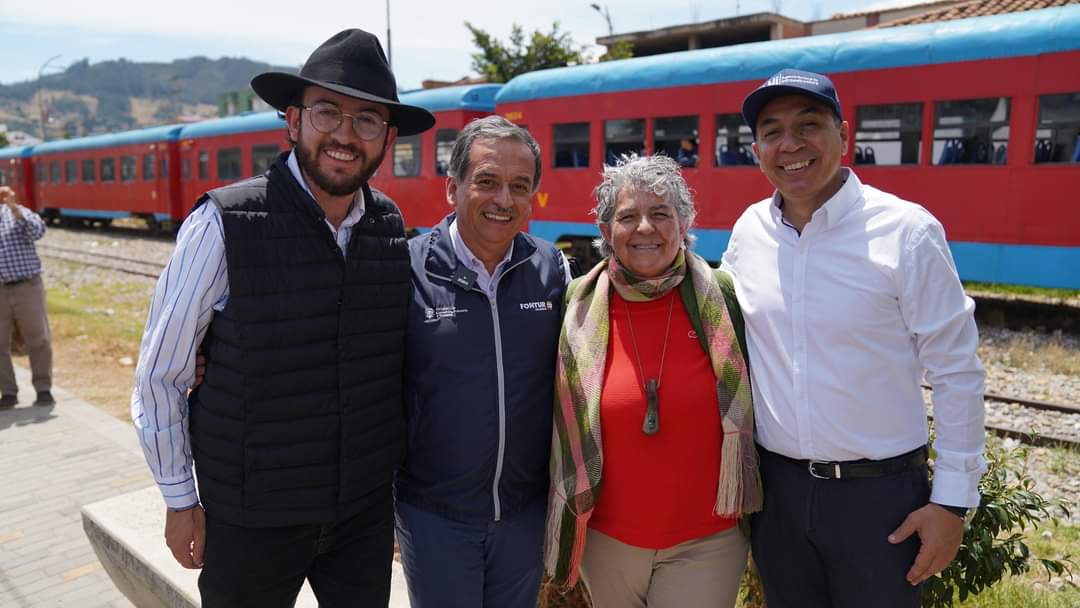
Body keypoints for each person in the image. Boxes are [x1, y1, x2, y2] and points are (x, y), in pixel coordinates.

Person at [130, 29, 434, 607]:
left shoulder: (389, 227)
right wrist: (178, 498)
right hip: (252, 516)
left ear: (387, 138)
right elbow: (161, 373)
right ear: (293, 121)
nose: (345, 135)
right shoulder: (224, 224)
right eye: (327, 112)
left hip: (362, 515)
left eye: (367, 120)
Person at [723, 68, 986, 608]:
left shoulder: (907, 232)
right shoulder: (749, 231)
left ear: (845, 134)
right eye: (772, 131)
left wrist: (952, 505)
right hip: (779, 495)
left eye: (809, 124)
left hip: (880, 501)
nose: (790, 144)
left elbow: (957, 371)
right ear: (757, 150)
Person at [545, 154, 760, 607]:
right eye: (627, 216)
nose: (645, 227)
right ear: (606, 232)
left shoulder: (721, 298)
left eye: (661, 213)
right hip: (607, 543)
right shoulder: (575, 307)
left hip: (707, 542)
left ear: (684, 224)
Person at [395, 115, 569, 607]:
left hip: (523, 512)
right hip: (434, 514)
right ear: (453, 188)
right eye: (487, 182)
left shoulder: (551, 268)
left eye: (520, 186)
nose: (504, 200)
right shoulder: (406, 269)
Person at [0, 186, 53, 408]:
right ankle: (8, 392)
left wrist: (14, 209)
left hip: (27, 286)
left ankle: (43, 389)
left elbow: (38, 232)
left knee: (38, 339)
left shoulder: (19, 212)